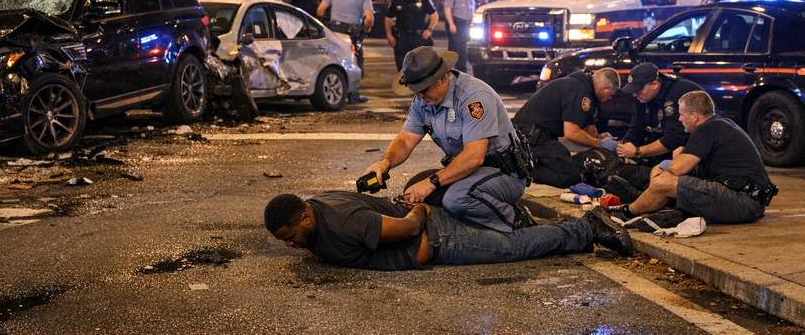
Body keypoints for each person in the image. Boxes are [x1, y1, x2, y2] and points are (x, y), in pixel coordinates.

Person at [364, 46, 530, 233]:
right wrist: (385, 163)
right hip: (471, 172)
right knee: (413, 190)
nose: (420, 96)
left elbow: (474, 156)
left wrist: (432, 182)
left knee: (457, 198)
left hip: (503, 174)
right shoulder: (423, 100)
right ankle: (470, 216)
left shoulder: (474, 98)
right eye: (415, 91)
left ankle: (516, 220)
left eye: (423, 90)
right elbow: (406, 140)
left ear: (442, 79)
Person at [264, 191, 632, 271]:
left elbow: (409, 227)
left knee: (512, 248)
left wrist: (421, 209)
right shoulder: (315, 207)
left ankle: (587, 227)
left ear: (305, 218)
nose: (292, 246)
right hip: (436, 235)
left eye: (290, 237)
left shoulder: (346, 222)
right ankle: (568, 230)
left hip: (440, 238)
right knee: (511, 241)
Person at [608, 90, 777, 224]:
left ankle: (627, 212)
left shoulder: (707, 128)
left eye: (682, 114)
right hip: (746, 199)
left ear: (694, 116)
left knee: (664, 181)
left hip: (744, 202)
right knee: (661, 171)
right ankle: (652, 205)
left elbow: (677, 169)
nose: (679, 119)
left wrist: (661, 178)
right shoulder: (718, 124)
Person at [513, 68, 621, 189]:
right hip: (531, 137)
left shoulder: (585, 87)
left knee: (572, 164)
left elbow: (588, 125)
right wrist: (600, 143)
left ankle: (527, 164)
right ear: (605, 88)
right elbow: (572, 133)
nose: (610, 98)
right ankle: (520, 171)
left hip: (534, 134)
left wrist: (599, 137)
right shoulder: (578, 91)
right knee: (570, 176)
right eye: (611, 94)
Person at [610, 63, 703, 193]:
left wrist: (638, 151)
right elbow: (637, 125)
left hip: (691, 154)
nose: (635, 94)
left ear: (654, 84)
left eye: (638, 89)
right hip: (662, 149)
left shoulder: (678, 94)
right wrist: (626, 144)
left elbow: (674, 139)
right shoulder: (643, 96)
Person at [317, 0, 374, 103]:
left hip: (334, 32)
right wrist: (366, 28)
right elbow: (369, 18)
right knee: (356, 61)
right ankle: (353, 94)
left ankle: (338, 88)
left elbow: (320, 10)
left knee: (335, 59)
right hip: (351, 34)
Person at [385, 0, 439, 70]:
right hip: (402, 37)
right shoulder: (397, 1)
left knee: (422, 66)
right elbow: (388, 18)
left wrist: (430, 29)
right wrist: (389, 34)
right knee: (402, 66)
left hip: (419, 37)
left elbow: (434, 15)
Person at [444, 0, 476, 73]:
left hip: (467, 24)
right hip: (457, 23)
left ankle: (458, 71)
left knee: (463, 48)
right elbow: (447, 9)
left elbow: (472, 10)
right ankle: (456, 70)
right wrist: (451, 24)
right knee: (457, 48)